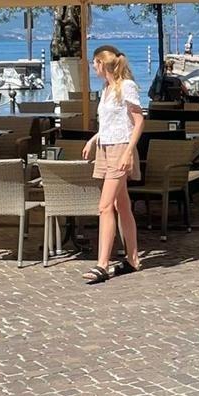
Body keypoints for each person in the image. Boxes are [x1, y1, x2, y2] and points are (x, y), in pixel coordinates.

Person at [81, 44, 144, 284]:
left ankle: (102, 264)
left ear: (101, 63)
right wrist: (93, 139)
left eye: (94, 63)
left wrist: (128, 151)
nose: (93, 68)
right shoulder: (107, 88)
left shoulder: (125, 86)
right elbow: (111, 122)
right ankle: (133, 258)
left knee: (105, 206)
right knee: (121, 204)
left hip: (120, 147)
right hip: (106, 146)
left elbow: (138, 121)